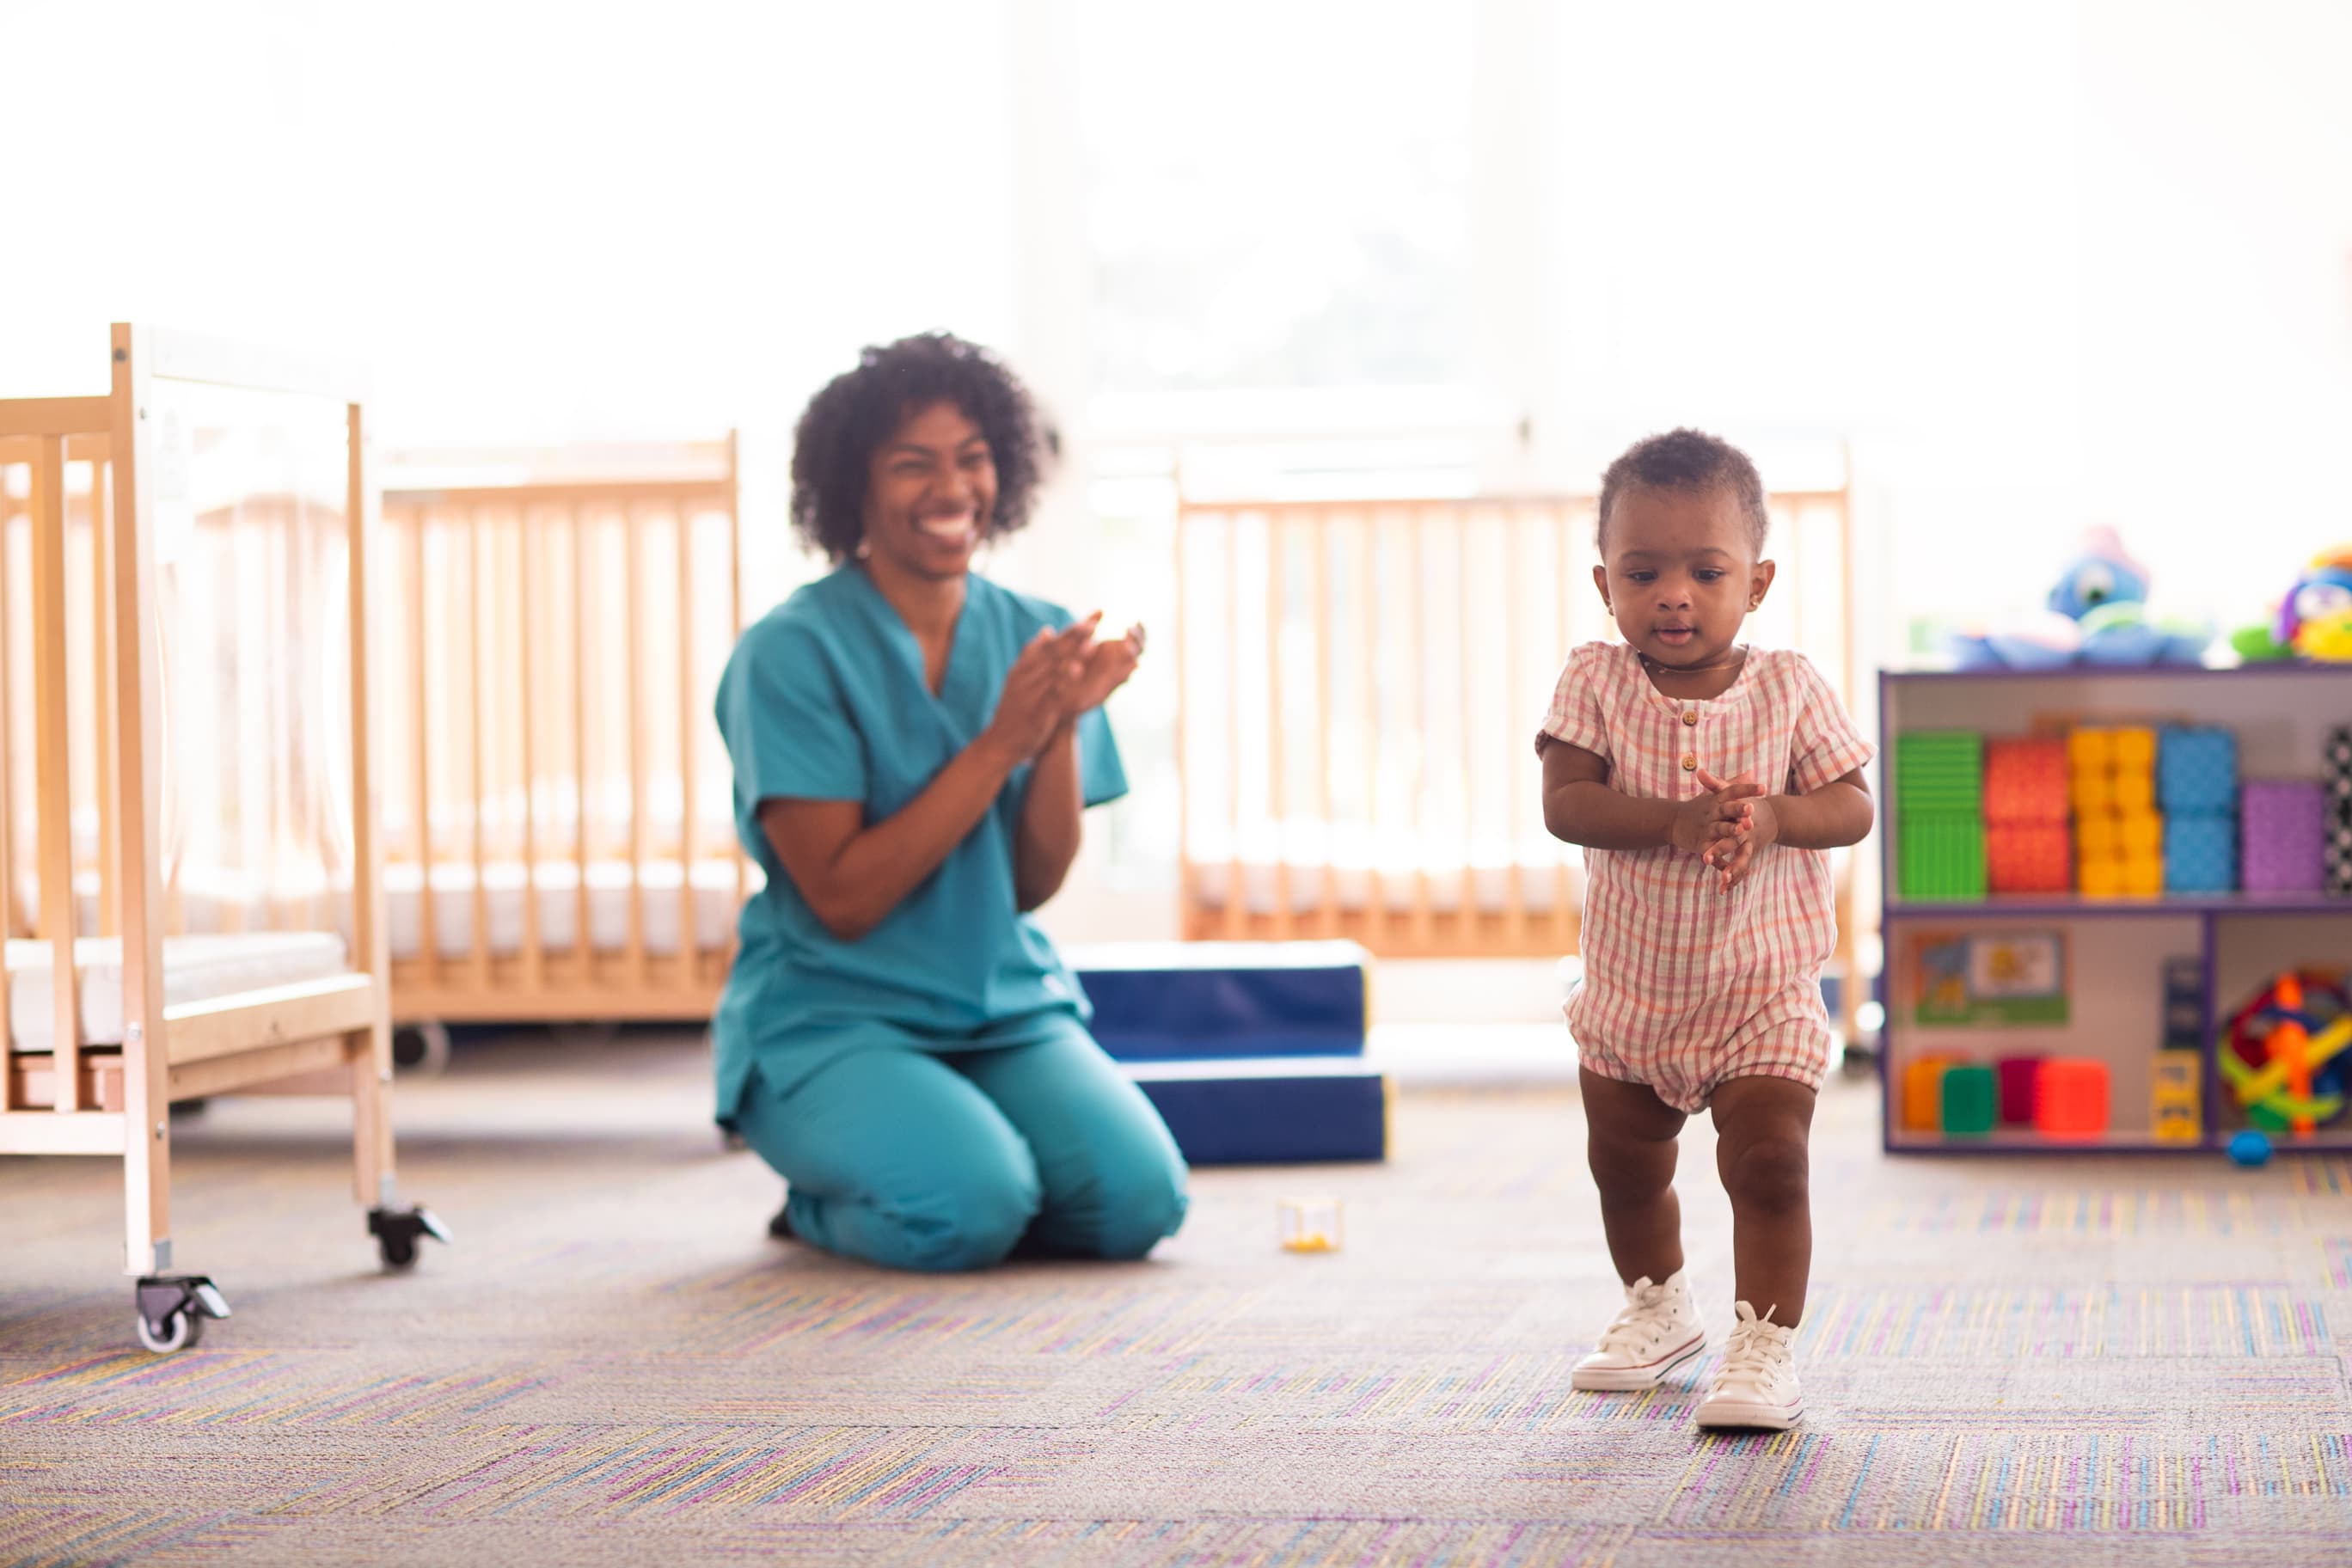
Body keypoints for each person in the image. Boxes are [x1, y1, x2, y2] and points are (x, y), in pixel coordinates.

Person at [712, 332, 1189, 1273]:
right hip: (832, 1020)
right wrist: (1005, 739)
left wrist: (1052, 731)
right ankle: (819, 1204)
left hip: (999, 1009)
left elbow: (1027, 886)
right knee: (968, 1212)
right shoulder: (788, 654)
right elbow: (844, 899)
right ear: (853, 484)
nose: (952, 490)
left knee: (1139, 1203)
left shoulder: (1039, 635)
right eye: (912, 465)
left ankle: (954, 1155)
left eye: (972, 459)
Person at [1534, 428, 1873, 1430]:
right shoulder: (1593, 682)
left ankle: (1763, 1342)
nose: (1673, 594)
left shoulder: (1790, 688)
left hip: (1756, 993)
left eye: (1705, 571)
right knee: (1625, 1167)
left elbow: (1852, 805)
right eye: (1644, 572)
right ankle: (1659, 1302)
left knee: (1769, 1163)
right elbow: (1567, 805)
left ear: (1756, 583)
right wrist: (1677, 820)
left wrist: (1772, 814)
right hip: (1634, 994)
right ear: (1606, 583)